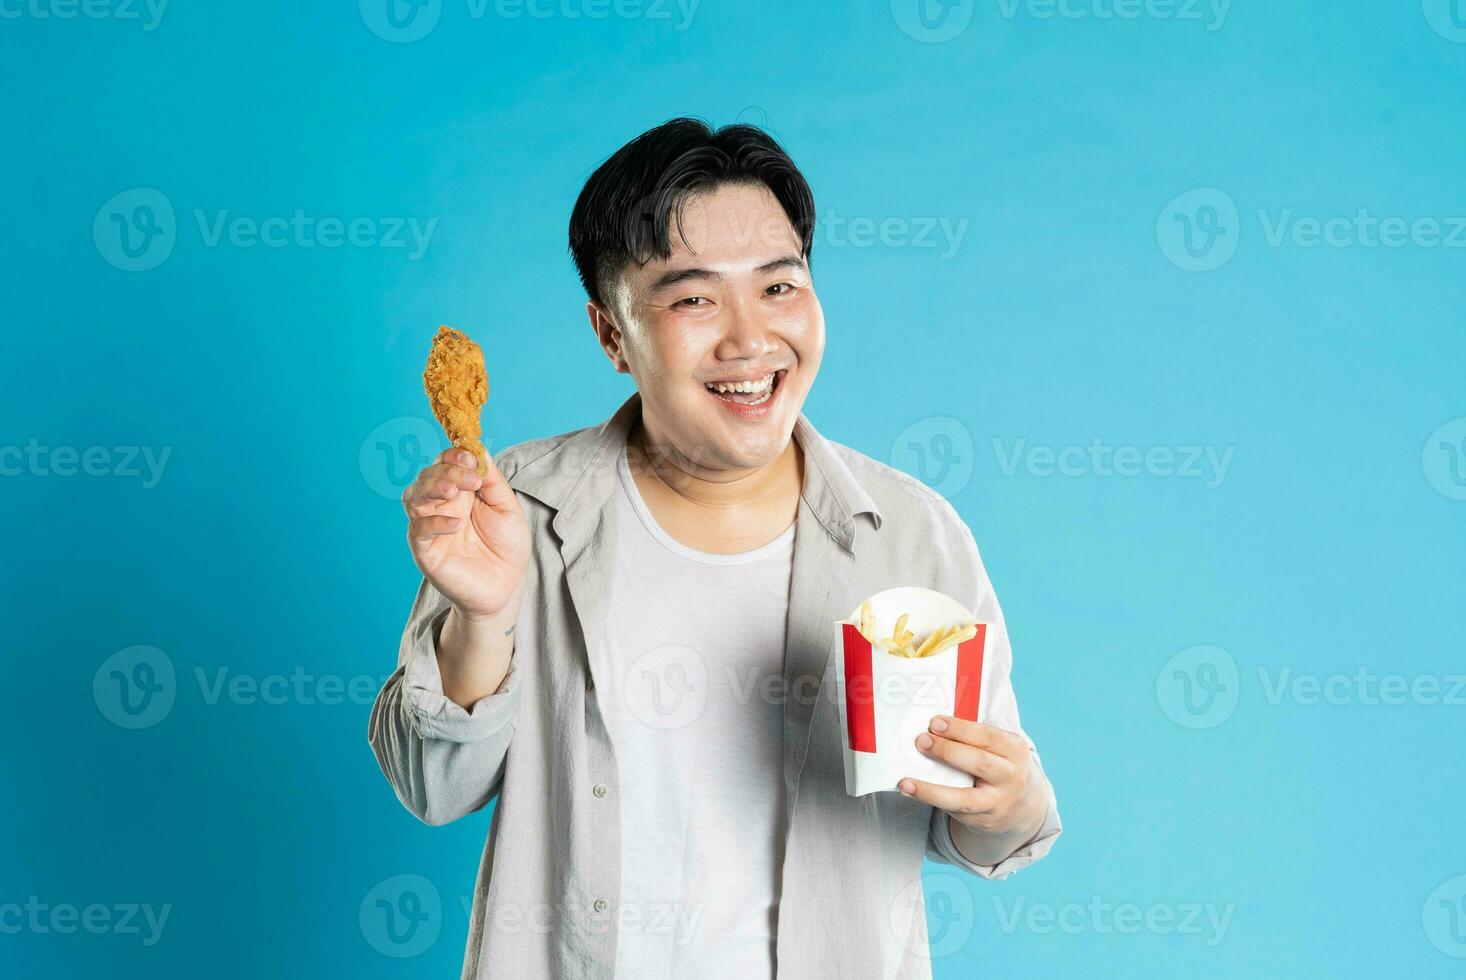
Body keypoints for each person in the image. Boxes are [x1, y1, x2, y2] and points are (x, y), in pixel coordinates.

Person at [369, 117, 1062, 980]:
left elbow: (972, 817)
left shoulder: (911, 534)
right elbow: (432, 790)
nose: (749, 340)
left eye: (779, 287)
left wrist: (1013, 804)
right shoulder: (513, 506)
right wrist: (483, 620)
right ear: (611, 334)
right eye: (693, 298)